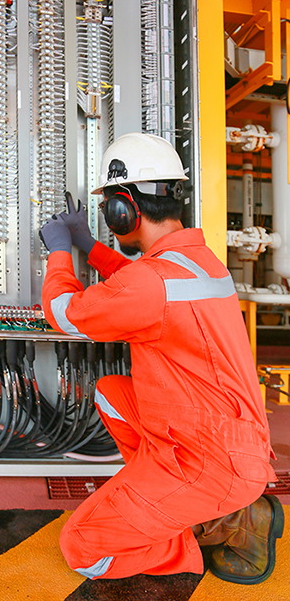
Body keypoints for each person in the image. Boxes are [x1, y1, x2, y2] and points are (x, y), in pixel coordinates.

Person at [39, 132, 284, 585]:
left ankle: (201, 529)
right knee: (112, 393)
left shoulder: (152, 282)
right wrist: (88, 245)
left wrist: (58, 251)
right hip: (228, 441)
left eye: (109, 210)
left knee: (82, 548)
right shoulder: (198, 262)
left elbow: (64, 315)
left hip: (212, 462)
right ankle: (173, 500)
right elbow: (138, 282)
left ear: (122, 208)